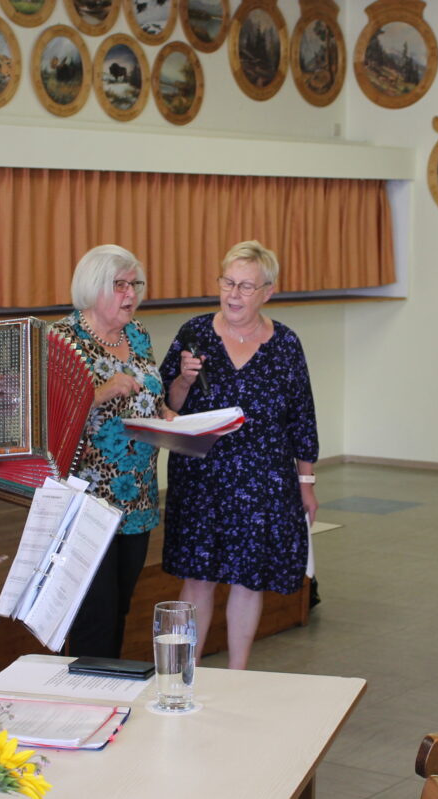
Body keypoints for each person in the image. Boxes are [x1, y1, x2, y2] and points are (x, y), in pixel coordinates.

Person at [159, 241, 318, 670]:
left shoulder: (285, 343)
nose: (233, 294)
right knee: (198, 579)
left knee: (249, 580)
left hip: (263, 479)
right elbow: (167, 405)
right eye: (228, 282)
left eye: (246, 286)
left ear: (268, 292)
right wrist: (183, 379)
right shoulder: (194, 333)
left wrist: (306, 482)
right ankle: (183, 675)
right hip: (201, 478)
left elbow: (302, 416)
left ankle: (237, 674)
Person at [52, 244, 171, 658]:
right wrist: (100, 392)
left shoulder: (137, 333)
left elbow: (150, 396)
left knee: (120, 608)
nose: (130, 294)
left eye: (135, 284)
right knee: (93, 616)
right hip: (87, 500)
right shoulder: (63, 338)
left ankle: (109, 689)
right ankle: (83, 692)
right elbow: (45, 415)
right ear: (93, 286)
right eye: (119, 285)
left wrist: (169, 417)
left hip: (137, 497)